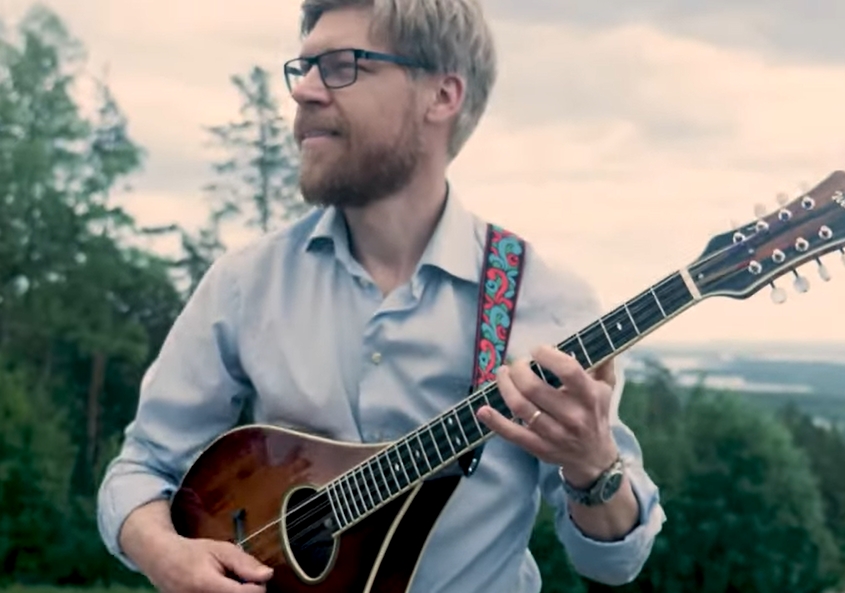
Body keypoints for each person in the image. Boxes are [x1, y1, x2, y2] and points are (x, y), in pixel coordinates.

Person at [96, 1, 667, 592]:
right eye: (304, 67)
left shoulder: (544, 302)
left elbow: (612, 563)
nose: (306, 91)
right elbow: (143, 467)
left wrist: (592, 466)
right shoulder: (247, 282)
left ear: (441, 96)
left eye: (342, 66)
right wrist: (165, 554)